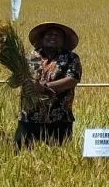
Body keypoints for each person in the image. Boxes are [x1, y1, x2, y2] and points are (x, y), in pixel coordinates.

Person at [15, 21, 82, 150]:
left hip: (59, 117)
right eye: (49, 34)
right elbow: (16, 80)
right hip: (29, 117)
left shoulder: (71, 58)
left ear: (63, 41)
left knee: (58, 156)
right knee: (20, 152)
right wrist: (18, 79)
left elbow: (72, 79)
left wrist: (45, 87)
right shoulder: (29, 57)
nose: (53, 37)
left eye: (57, 35)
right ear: (42, 38)